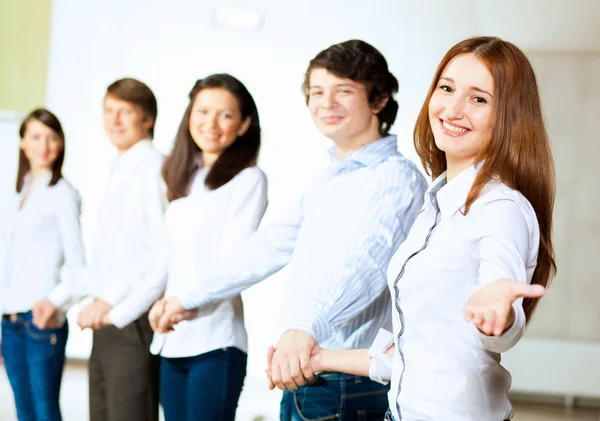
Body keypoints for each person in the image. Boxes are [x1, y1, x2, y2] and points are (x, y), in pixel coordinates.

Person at [269, 36, 556, 421]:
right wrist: (321, 356)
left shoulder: (500, 208)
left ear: (508, 115)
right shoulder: (436, 203)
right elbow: (415, 350)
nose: (452, 109)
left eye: (479, 98)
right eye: (447, 88)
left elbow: (500, 324)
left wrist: (499, 315)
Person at [151, 40, 428, 420]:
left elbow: (365, 265)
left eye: (343, 91)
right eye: (317, 92)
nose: (326, 103)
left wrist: (304, 327)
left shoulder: (395, 178)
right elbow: (268, 246)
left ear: (379, 100)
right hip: (306, 373)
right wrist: (186, 297)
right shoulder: (329, 179)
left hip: (346, 385)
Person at [102, 74, 268, 421]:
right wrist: (120, 313)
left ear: (243, 125)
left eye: (224, 115)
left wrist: (184, 304)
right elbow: (164, 260)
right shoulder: (181, 177)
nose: (211, 123)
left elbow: (233, 266)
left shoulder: (248, 180)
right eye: (202, 111)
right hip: (172, 340)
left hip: (216, 342)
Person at [77, 78, 166, 421]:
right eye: (109, 111)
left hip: (132, 318)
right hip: (108, 317)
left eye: (125, 112)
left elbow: (161, 251)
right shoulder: (120, 169)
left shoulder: (153, 168)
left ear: (147, 120)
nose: (114, 120)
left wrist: (111, 299)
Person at [0, 108, 86, 421]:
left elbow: (80, 269)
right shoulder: (19, 193)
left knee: (45, 412)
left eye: (52, 137)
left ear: (61, 144)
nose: (44, 145)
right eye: (35, 137)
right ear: (22, 142)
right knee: (23, 411)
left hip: (40, 320)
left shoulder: (62, 193)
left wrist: (54, 302)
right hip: (9, 319)